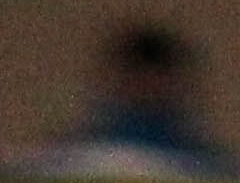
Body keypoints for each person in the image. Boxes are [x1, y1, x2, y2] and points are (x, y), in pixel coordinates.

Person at [63, 23, 220, 164]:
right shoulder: (76, 160)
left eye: (158, 79)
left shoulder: (203, 166)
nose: (148, 89)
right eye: (137, 79)